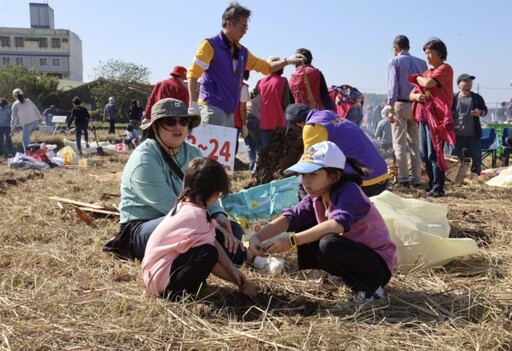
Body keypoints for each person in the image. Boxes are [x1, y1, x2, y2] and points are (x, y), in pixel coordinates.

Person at [103, 98, 246, 264]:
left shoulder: (193, 153)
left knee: (233, 229)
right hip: (143, 227)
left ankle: (208, 253)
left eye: (183, 121)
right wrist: (214, 228)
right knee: (191, 229)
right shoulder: (144, 159)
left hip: (188, 218)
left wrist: (218, 215)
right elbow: (173, 209)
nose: (178, 126)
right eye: (170, 121)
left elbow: (209, 191)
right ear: (155, 126)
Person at [248, 141, 397, 301]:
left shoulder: (349, 191)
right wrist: (257, 237)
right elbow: (290, 217)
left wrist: (291, 241)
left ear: (334, 176)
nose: (306, 181)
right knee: (304, 224)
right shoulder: (315, 196)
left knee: (328, 241)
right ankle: (329, 274)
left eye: (313, 174)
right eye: (303, 174)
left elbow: (336, 225)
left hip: (376, 266)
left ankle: (372, 290)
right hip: (355, 256)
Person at [142, 157, 257, 301]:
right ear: (216, 195)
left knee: (210, 249)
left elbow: (212, 239)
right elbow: (212, 260)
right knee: (207, 254)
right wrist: (240, 283)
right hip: (160, 281)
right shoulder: (196, 216)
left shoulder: (187, 204)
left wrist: (233, 270)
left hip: (154, 274)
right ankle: (176, 294)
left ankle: (185, 285)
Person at [187, 2, 304, 127]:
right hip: (212, 108)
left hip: (230, 111)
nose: (244, 32)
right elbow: (193, 74)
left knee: (228, 147)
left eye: (246, 28)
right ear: (229, 24)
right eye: (242, 27)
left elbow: (266, 67)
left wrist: (287, 61)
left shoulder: (242, 52)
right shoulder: (210, 45)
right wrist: (193, 104)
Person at [285, 103, 389, 197]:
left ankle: (317, 215)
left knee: (303, 185)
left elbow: (309, 164)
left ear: (299, 124)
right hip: (382, 175)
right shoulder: (328, 114)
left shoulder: (312, 126)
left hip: (365, 183)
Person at [409, 38, 455, 198]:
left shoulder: (445, 69)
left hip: (438, 118)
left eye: (430, 52)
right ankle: (431, 184)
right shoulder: (426, 72)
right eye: (426, 53)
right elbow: (412, 93)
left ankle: (438, 187)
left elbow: (427, 83)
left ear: (440, 54)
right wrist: (417, 97)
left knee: (435, 153)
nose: (427, 56)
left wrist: (416, 78)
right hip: (423, 116)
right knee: (425, 154)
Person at [386, 35, 428, 188]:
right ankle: (417, 178)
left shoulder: (395, 61)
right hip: (417, 105)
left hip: (401, 104)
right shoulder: (422, 63)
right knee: (415, 145)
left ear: (396, 48)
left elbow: (393, 87)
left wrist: (390, 107)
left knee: (399, 144)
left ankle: (403, 179)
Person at [450, 74, 488, 175]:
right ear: (459, 84)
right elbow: (447, 113)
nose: (468, 83)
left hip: (473, 135)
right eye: (465, 81)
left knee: (476, 159)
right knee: (454, 158)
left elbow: (485, 111)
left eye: (470, 81)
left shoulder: (477, 98)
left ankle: (474, 179)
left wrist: (479, 112)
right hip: (456, 135)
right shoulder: (453, 98)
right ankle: (455, 178)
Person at [254, 56, 293, 147]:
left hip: (264, 122)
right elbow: (286, 103)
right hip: (279, 122)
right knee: (279, 150)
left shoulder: (260, 82)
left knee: (267, 151)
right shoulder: (283, 81)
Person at [245, 93, 263, 174]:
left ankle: (251, 165)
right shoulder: (263, 98)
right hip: (254, 120)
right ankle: (256, 169)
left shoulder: (252, 100)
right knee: (259, 145)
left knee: (249, 144)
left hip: (245, 120)